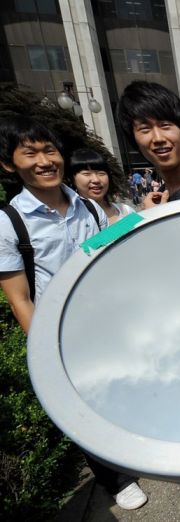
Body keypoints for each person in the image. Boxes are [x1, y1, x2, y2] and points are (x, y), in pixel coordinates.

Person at [0, 117, 148, 511]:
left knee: (123, 386)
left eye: (50, 150)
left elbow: (105, 253)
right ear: (9, 164)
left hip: (107, 319)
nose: (45, 161)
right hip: (60, 333)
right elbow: (19, 299)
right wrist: (45, 352)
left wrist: (144, 216)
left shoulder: (88, 206)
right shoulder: (8, 222)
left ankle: (137, 449)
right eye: (30, 153)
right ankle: (116, 480)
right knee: (84, 406)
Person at [117, 81, 180, 207]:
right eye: (145, 129)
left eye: (165, 125)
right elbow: (118, 227)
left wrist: (156, 217)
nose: (158, 138)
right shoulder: (157, 198)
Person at [67, 148, 135, 224]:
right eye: (87, 174)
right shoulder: (72, 221)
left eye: (101, 173)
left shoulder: (126, 212)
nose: (96, 180)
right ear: (72, 179)